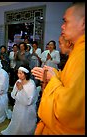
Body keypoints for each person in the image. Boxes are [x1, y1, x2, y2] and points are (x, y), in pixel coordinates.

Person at [31, 2, 85, 134]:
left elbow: (69, 108)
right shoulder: (78, 51)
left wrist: (53, 79)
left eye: (65, 21)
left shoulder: (82, 54)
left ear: (83, 23)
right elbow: (70, 84)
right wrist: (55, 74)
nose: (62, 26)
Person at [1, 65, 39, 135]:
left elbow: (29, 101)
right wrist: (17, 90)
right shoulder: (18, 81)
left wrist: (21, 90)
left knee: (24, 122)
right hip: (18, 106)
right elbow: (13, 95)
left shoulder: (31, 84)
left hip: (27, 109)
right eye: (18, 73)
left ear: (26, 74)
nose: (19, 75)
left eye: (21, 73)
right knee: (17, 121)